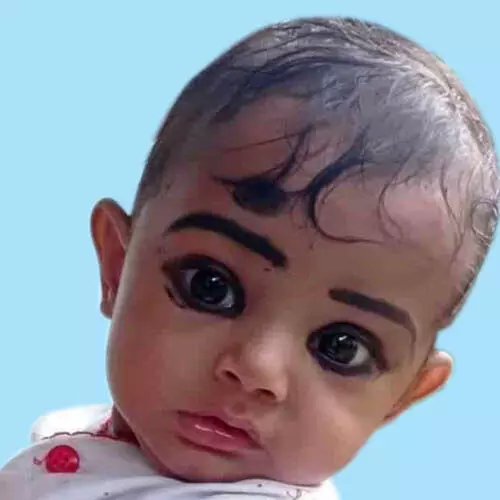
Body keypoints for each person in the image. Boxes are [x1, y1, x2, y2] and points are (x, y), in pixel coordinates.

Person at [1, 16, 498, 500]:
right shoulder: (90, 440)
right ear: (116, 266)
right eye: (211, 287)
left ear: (403, 396)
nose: (256, 368)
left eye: (341, 347)